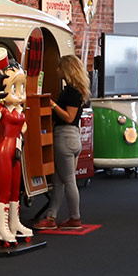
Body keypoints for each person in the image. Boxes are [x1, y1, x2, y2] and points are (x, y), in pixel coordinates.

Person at [36, 54, 90, 231]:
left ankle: (75, 217)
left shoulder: (72, 92)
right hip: (72, 138)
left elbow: (69, 117)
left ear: (67, 69)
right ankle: (51, 217)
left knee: (68, 180)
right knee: (59, 181)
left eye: (60, 67)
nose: (57, 70)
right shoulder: (76, 90)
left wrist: (52, 105)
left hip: (65, 137)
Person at [0, 51, 32, 245]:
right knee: (3, 190)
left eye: (22, 87)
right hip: (3, 151)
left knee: (15, 188)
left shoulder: (19, 109)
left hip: (17, 151)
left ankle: (14, 223)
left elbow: (23, 127)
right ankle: (3, 228)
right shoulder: (1, 109)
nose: (20, 93)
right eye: (14, 87)